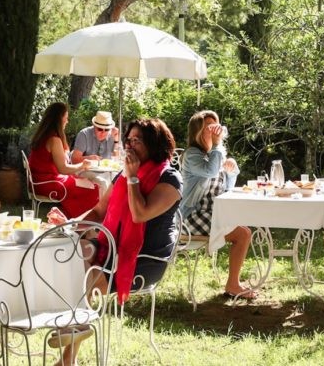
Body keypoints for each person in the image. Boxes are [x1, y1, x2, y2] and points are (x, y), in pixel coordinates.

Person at [48, 117, 182, 364]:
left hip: (144, 260)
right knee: (72, 252)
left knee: (82, 273)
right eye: (128, 140)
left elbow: (140, 213)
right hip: (112, 250)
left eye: (137, 141)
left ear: (154, 143)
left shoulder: (170, 179)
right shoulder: (125, 174)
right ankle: (75, 334)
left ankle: (74, 334)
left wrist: (133, 178)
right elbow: (99, 211)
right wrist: (69, 224)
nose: (129, 146)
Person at [180, 109, 255, 300]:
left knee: (248, 225)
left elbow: (225, 191)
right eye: (208, 128)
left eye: (216, 127)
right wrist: (218, 146)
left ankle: (233, 283)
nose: (214, 132)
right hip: (191, 216)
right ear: (197, 132)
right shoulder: (191, 155)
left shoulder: (215, 153)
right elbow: (210, 171)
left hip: (213, 212)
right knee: (243, 233)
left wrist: (231, 173)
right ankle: (233, 285)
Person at [28, 102, 101, 218]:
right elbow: (63, 169)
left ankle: (68, 220)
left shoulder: (44, 135)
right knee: (93, 189)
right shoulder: (53, 139)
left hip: (39, 181)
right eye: (66, 118)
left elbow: (62, 159)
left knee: (87, 183)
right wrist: (83, 165)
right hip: (47, 184)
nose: (67, 121)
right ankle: (78, 224)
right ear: (58, 120)